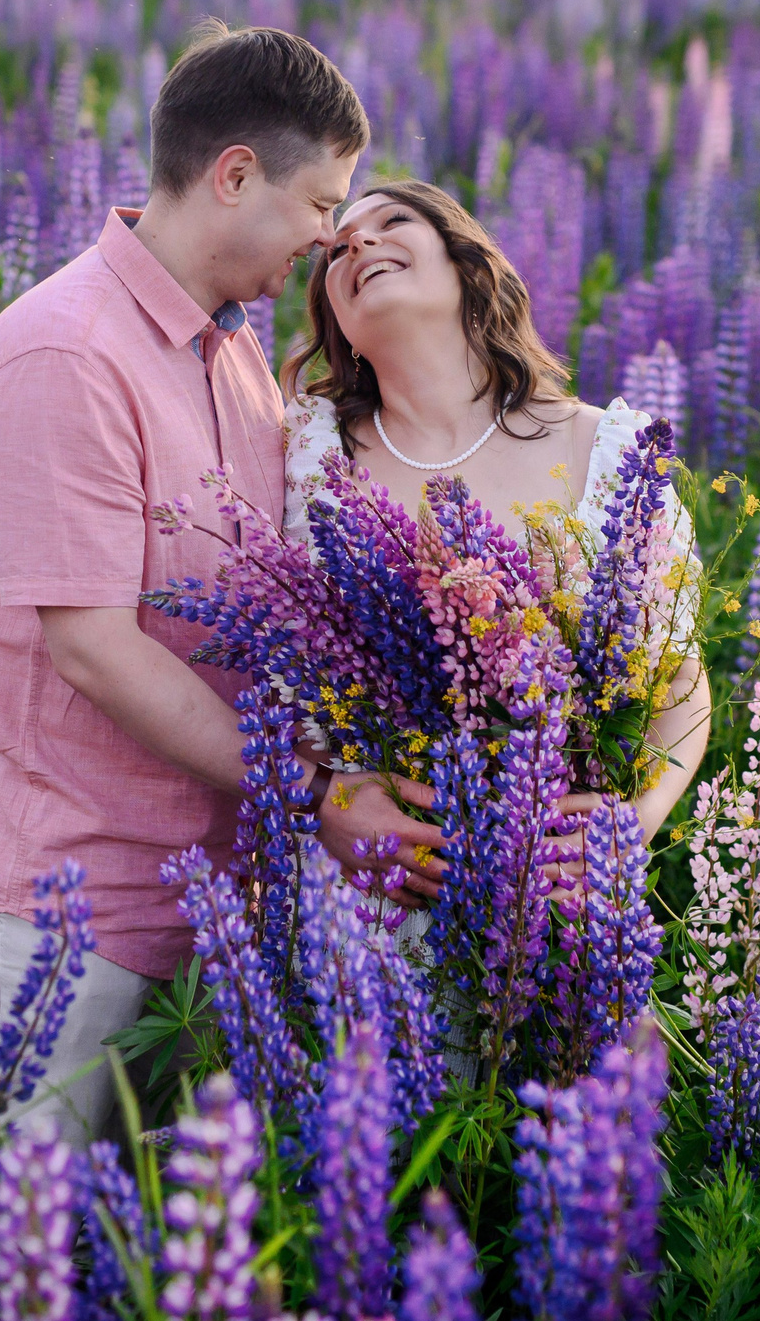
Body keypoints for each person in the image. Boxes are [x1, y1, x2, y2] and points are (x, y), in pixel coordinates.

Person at [0, 23, 429, 1148]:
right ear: (235, 174)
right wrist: (316, 793)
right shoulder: (66, 351)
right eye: (319, 202)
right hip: (66, 898)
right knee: (16, 1270)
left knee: (149, 1286)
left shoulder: (228, 348)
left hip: (209, 892)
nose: (327, 236)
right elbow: (96, 648)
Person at [279, 177, 714, 899]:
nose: (357, 241)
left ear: (465, 265)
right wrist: (329, 801)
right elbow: (258, 683)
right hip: (363, 909)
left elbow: (681, 678)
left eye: (392, 222)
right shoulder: (304, 459)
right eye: (336, 248)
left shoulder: (607, 448)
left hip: (557, 905)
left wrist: (636, 819)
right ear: (335, 321)